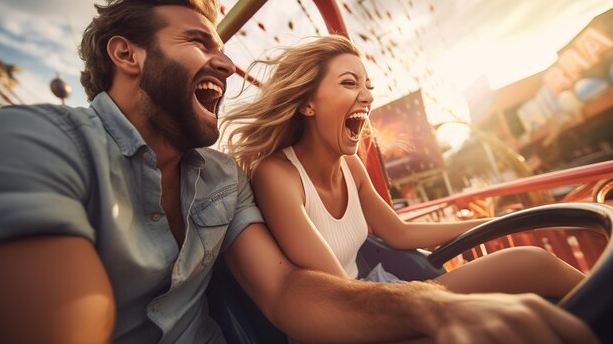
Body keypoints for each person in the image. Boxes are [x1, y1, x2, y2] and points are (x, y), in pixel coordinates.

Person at [0, 0, 596, 343]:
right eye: (201, 42)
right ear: (126, 53)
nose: (225, 61)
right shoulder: (35, 139)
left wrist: (436, 307)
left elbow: (285, 289)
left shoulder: (218, 177)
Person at [223, 34, 585, 307]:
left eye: (368, 86)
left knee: (532, 265)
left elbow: (398, 232)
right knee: (528, 271)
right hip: (347, 315)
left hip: (377, 294)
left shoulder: (351, 164)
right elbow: (339, 291)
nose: (367, 95)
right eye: (349, 83)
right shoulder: (276, 174)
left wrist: (492, 223)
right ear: (307, 104)